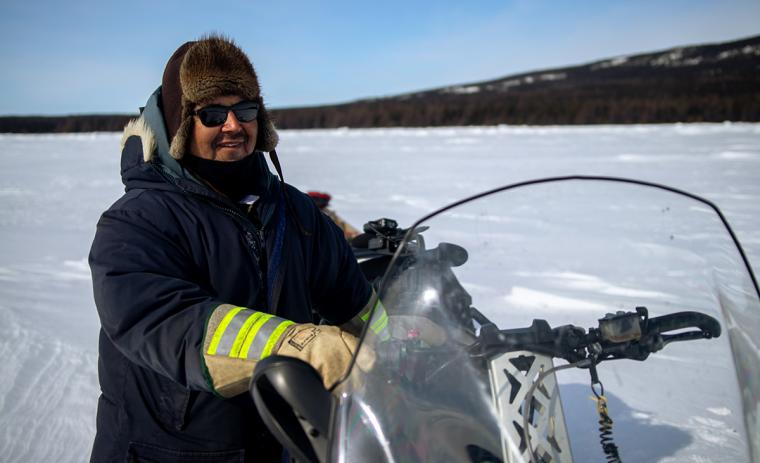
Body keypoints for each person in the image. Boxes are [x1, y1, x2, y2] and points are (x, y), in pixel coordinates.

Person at [88, 35, 381, 462]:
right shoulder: (136, 222)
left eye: (244, 109)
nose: (232, 124)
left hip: (286, 440)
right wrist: (299, 345)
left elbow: (352, 299)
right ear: (178, 125)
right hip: (167, 452)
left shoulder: (295, 212)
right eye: (211, 112)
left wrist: (402, 338)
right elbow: (169, 324)